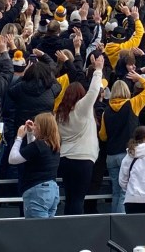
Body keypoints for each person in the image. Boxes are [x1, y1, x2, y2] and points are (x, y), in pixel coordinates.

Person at [55, 53, 105, 215]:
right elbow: (93, 91)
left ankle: (67, 226)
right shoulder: (82, 108)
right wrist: (98, 70)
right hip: (83, 159)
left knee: (70, 198)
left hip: (65, 158)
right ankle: (75, 231)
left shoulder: (59, 114)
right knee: (78, 199)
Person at [100, 72, 145, 213]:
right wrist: (140, 78)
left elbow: (103, 136)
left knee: (116, 193)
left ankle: (112, 223)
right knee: (125, 193)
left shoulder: (106, 111)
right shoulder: (133, 103)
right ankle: (119, 226)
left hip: (111, 156)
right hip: (127, 154)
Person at [9, 112, 62, 218]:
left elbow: (13, 159)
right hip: (52, 190)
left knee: (36, 230)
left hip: (37, 190)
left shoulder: (38, 145)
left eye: (36, 125)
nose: (34, 128)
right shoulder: (54, 145)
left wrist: (19, 137)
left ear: (42, 127)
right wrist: (29, 133)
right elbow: (32, 154)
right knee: (46, 230)